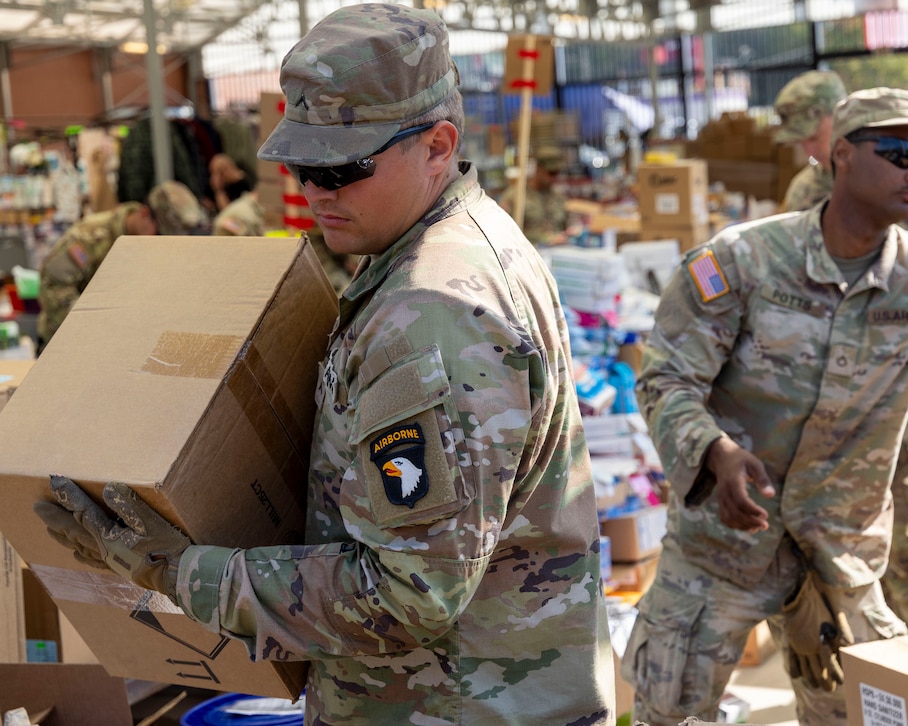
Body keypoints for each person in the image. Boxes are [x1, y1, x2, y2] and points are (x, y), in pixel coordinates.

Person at [34, 5, 615, 725]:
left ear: (439, 145)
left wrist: (176, 570)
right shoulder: (455, 248)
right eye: (303, 165)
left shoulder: (429, 311)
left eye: (342, 167)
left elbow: (409, 595)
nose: (315, 190)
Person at [620, 87, 908, 726]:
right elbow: (666, 377)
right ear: (841, 156)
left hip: (842, 558)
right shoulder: (744, 262)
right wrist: (712, 450)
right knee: (667, 713)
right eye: (897, 154)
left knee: (868, 715)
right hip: (722, 552)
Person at [775, 70, 908, 632]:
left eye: (808, 133)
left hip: (902, 387)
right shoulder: (806, 190)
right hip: (822, 396)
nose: (806, 149)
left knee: (902, 530)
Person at [37, 180, 206, 349]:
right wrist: (96, 329)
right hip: (69, 345)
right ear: (144, 213)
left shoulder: (157, 246)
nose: (162, 242)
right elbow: (53, 287)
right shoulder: (90, 236)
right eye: (159, 234)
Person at [499, 147, 571, 245]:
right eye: (550, 173)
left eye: (557, 174)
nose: (554, 178)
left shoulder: (559, 198)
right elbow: (502, 232)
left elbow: (567, 227)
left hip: (556, 253)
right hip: (527, 253)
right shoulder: (515, 196)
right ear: (538, 169)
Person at [208, 153, 266, 236]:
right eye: (215, 172)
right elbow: (226, 216)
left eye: (224, 169)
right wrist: (218, 190)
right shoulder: (218, 188)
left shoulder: (244, 180)